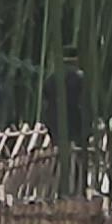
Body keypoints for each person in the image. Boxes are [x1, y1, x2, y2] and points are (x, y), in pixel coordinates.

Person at [43, 44, 88, 190]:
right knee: (77, 154)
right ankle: (76, 185)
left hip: (55, 119)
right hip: (75, 119)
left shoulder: (54, 77)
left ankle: (57, 185)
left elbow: (46, 93)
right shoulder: (80, 77)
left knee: (59, 152)